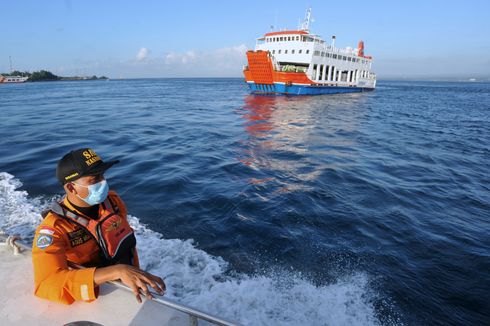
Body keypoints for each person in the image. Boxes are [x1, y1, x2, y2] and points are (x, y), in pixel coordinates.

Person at [32, 148, 165, 304]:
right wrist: (116, 271)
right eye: (94, 179)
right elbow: (46, 284)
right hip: (97, 294)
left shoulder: (112, 201)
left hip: (130, 280)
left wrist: (129, 271)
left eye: (102, 175)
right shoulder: (54, 229)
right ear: (71, 188)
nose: (103, 182)